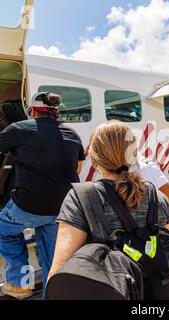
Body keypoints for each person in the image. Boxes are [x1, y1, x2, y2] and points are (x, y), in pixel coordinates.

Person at [48, 121, 169, 281]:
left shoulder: (79, 199)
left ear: (94, 160)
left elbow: (59, 272)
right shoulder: (156, 196)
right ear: (134, 154)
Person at [0, 92, 86, 299]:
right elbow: (78, 167)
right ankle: (52, 294)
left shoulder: (19, 129)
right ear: (56, 113)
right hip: (62, 208)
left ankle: (20, 284)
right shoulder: (72, 134)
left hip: (27, 205)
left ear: (33, 111)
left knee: (4, 231)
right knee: (51, 258)